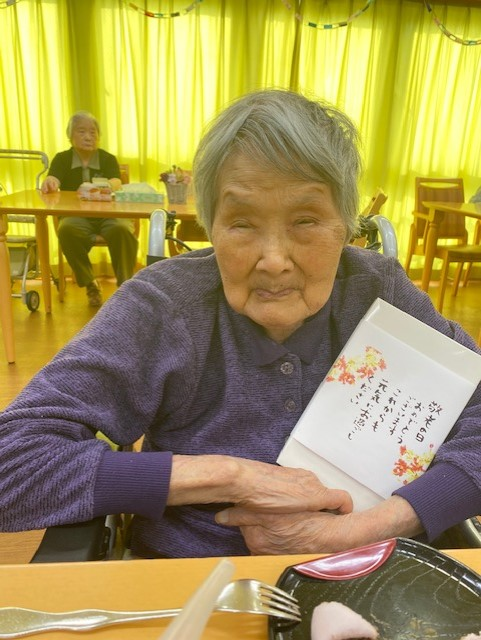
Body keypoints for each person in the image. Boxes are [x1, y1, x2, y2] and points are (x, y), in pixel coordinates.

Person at [1, 89, 480, 559]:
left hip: (376, 573)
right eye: (243, 223)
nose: (273, 260)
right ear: (210, 226)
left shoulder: (378, 292)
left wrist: (368, 527)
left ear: (346, 227)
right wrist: (232, 477)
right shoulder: (166, 306)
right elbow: (12, 462)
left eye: (306, 220)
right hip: (193, 577)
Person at [41, 111, 138, 307]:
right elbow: (54, 177)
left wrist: (108, 184)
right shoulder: (62, 158)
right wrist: (51, 181)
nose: (88, 137)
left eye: (93, 132)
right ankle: (89, 283)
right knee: (67, 230)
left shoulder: (107, 158)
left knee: (122, 229)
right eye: (82, 131)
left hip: (109, 215)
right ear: (70, 136)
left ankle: (125, 286)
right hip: (77, 216)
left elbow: (117, 180)